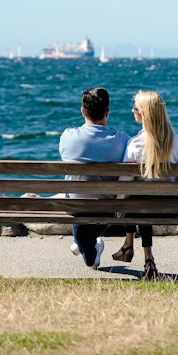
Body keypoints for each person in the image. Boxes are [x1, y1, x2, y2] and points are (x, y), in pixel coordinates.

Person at [113, 90, 178, 279]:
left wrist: (119, 207)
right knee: (142, 200)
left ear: (144, 114)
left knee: (136, 199)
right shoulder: (177, 142)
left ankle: (134, 250)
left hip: (139, 209)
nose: (133, 110)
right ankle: (143, 256)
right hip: (170, 208)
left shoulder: (135, 144)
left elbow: (125, 185)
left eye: (136, 108)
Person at [58, 86, 130, 270]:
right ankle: (84, 246)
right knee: (86, 246)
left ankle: (85, 247)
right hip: (109, 210)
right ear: (107, 111)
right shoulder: (122, 139)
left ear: (83, 111)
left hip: (77, 209)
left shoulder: (68, 137)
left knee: (90, 258)